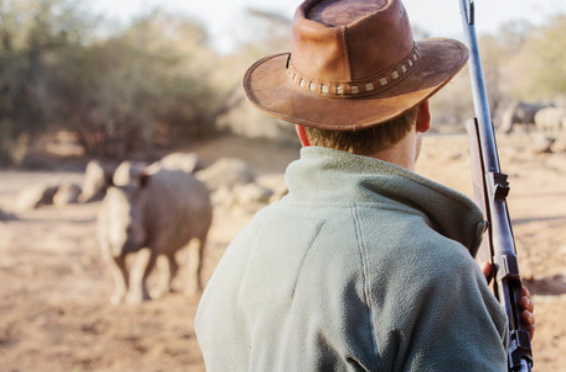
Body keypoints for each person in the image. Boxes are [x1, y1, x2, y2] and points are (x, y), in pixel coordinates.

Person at [195, 0, 535, 370]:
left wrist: (475, 328)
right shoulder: (439, 275)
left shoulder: (240, 254)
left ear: (301, 131)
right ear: (423, 112)